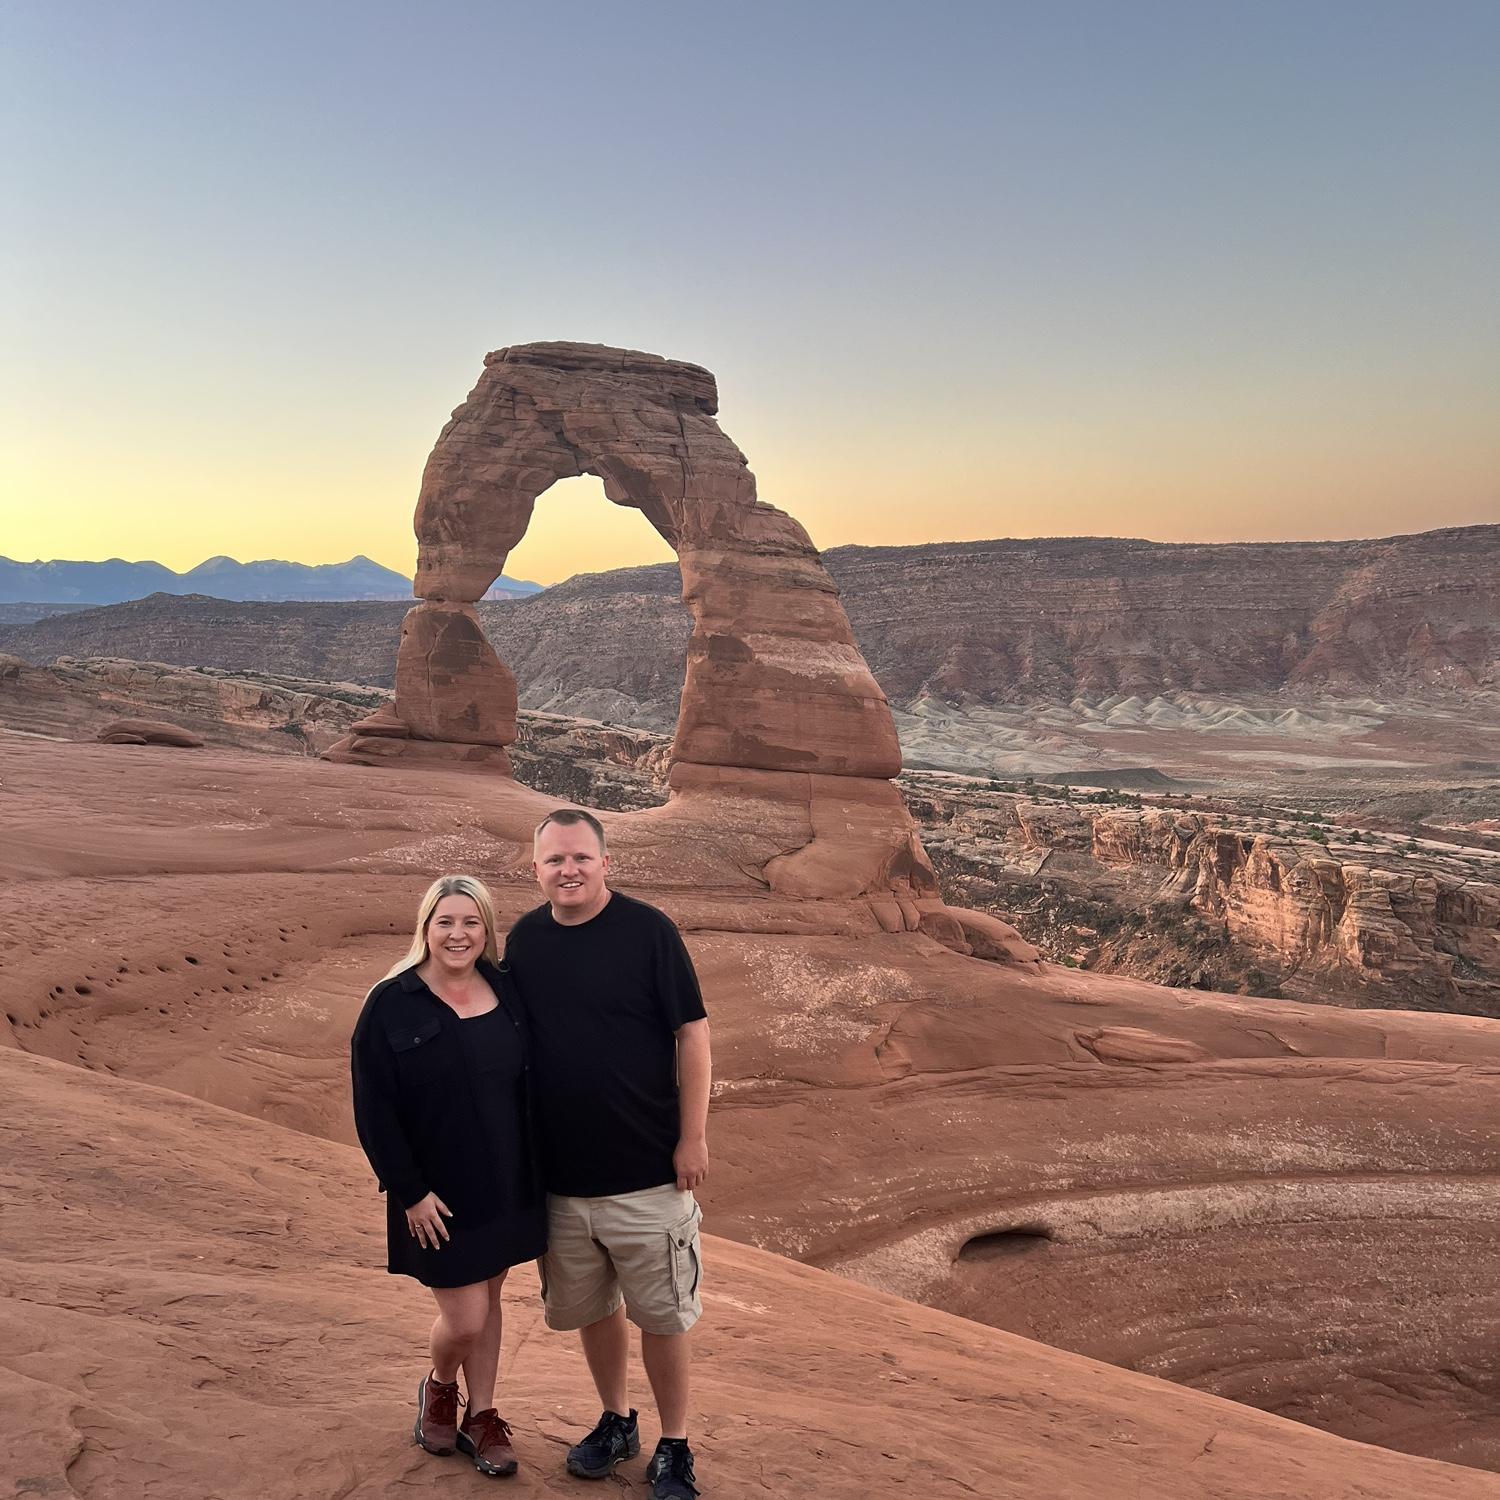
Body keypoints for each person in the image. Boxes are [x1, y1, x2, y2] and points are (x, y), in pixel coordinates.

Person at [504, 809, 710, 1500]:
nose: (568, 870)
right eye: (555, 860)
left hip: (648, 1170)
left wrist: (693, 1135)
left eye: (581, 858)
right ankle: (617, 1421)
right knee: (593, 1309)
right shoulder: (526, 940)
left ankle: (674, 1444)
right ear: (535, 869)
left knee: (662, 1315)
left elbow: (693, 1034)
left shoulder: (649, 932)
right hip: (562, 1180)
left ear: (605, 863)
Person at [350, 874, 546, 1480]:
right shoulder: (392, 1001)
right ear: (425, 929)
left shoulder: (508, 990)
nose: (458, 935)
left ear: (486, 930)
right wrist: (409, 1191)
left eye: (471, 922)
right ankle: (439, 1386)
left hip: (509, 1180)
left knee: (490, 1299)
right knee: (464, 1317)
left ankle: (482, 1417)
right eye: (445, 922)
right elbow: (373, 1107)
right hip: (436, 1193)